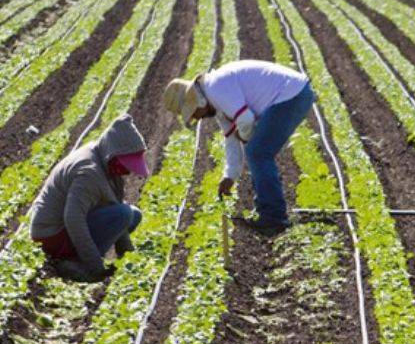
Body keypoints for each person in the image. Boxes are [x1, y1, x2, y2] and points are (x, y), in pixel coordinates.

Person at [163, 60, 313, 235]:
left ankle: (273, 217)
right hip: (293, 93)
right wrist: (230, 175)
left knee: (258, 153)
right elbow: (231, 138)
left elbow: (246, 120)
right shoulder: (216, 101)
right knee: (257, 152)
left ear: (198, 101)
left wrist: (245, 136)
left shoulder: (216, 88)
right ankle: (268, 211)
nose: (197, 118)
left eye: (194, 113)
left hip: (291, 95)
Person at [29, 114, 149, 282]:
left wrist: (127, 256)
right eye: (126, 165)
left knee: (133, 214)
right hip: (52, 234)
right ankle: (77, 263)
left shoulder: (102, 155)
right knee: (124, 214)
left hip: (63, 227)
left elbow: (114, 203)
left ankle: (85, 257)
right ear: (115, 156)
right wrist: (95, 264)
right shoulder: (89, 172)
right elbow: (73, 219)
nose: (128, 171)